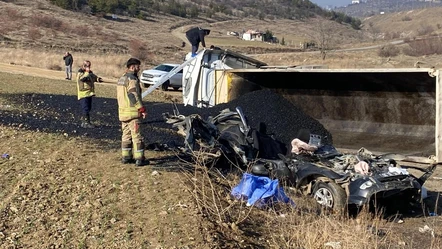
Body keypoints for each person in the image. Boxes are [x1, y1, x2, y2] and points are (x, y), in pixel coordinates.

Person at [117, 58, 149, 166]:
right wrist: (141, 109)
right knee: (137, 137)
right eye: (137, 66)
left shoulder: (121, 79)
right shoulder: (132, 80)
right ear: (132, 67)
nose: (139, 68)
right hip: (132, 113)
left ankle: (126, 157)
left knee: (125, 136)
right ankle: (139, 159)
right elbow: (133, 95)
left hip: (123, 113)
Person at [76, 60, 102, 128]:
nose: (88, 67)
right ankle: (86, 123)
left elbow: (93, 77)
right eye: (87, 66)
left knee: (88, 108)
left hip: (89, 93)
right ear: (83, 66)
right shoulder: (80, 73)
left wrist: (98, 79)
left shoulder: (89, 73)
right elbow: (82, 79)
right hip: (83, 94)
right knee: (85, 108)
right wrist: (87, 72)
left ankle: (84, 121)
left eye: (89, 66)